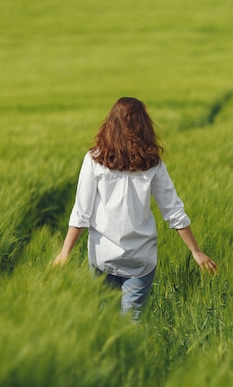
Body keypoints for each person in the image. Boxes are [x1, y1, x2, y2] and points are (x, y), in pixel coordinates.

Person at [52, 97, 217, 319]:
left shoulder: (94, 159)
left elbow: (81, 211)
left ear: (110, 125)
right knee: (133, 322)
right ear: (144, 126)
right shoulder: (153, 164)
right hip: (141, 258)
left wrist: (65, 253)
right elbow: (174, 212)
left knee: (106, 320)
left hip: (103, 256)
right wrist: (196, 252)